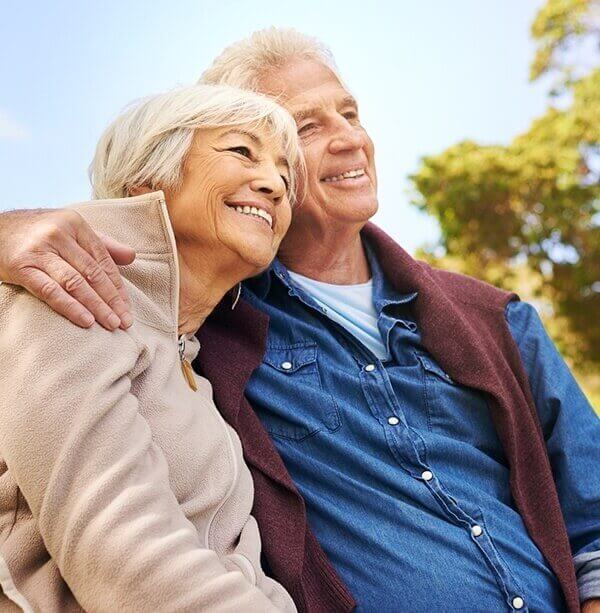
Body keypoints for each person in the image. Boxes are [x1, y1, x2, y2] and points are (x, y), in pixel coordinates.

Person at [1, 28, 599, 613]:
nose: (348, 140)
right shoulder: (197, 319)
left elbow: (593, 521)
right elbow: (129, 555)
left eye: (351, 114)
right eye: (305, 129)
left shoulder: (491, 318)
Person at [0, 83, 301, 612]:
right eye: (241, 151)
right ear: (150, 173)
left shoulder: (195, 364)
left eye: (284, 173)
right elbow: (122, 552)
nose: (275, 184)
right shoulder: (75, 286)